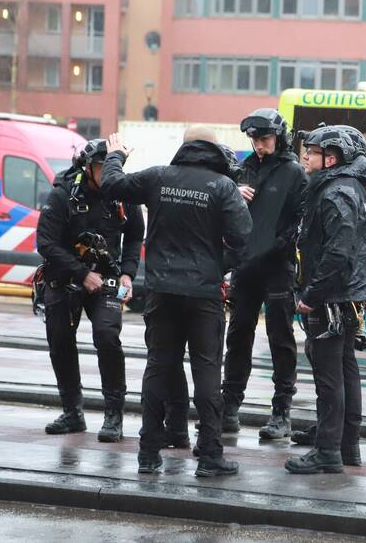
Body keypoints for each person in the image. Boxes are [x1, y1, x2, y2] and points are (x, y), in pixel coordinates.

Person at [101, 126, 252, 477]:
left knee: (159, 368)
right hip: (203, 295)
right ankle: (210, 456)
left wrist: (116, 155)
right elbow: (244, 240)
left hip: (161, 291)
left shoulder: (158, 177)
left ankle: (148, 453)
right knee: (207, 372)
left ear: (184, 148)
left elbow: (111, 185)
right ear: (213, 150)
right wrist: (217, 266)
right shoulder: (223, 186)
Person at [285, 125, 366, 474]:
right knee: (345, 372)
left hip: (331, 296)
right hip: (345, 295)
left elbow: (338, 250)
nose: (305, 157)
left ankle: (328, 450)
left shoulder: (334, 192)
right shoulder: (349, 187)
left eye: (312, 152)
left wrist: (311, 294)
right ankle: (347, 446)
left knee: (329, 377)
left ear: (332, 158)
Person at [35, 139, 144, 443]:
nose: (109, 172)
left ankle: (114, 416)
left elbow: (136, 235)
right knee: (60, 341)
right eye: (102, 167)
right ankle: (73, 413)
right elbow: (45, 243)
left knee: (107, 337)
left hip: (107, 279)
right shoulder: (62, 195)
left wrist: (127, 273)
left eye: (114, 166)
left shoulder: (123, 195)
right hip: (66, 277)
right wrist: (81, 273)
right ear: (88, 167)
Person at [220, 109, 307, 440]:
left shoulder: (294, 173)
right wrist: (234, 193)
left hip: (278, 267)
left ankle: (282, 412)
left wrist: (280, 245)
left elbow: (301, 218)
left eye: (265, 139)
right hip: (246, 267)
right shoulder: (243, 171)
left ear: (279, 137)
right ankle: (229, 408)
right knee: (238, 335)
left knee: (280, 338)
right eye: (255, 140)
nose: (259, 146)